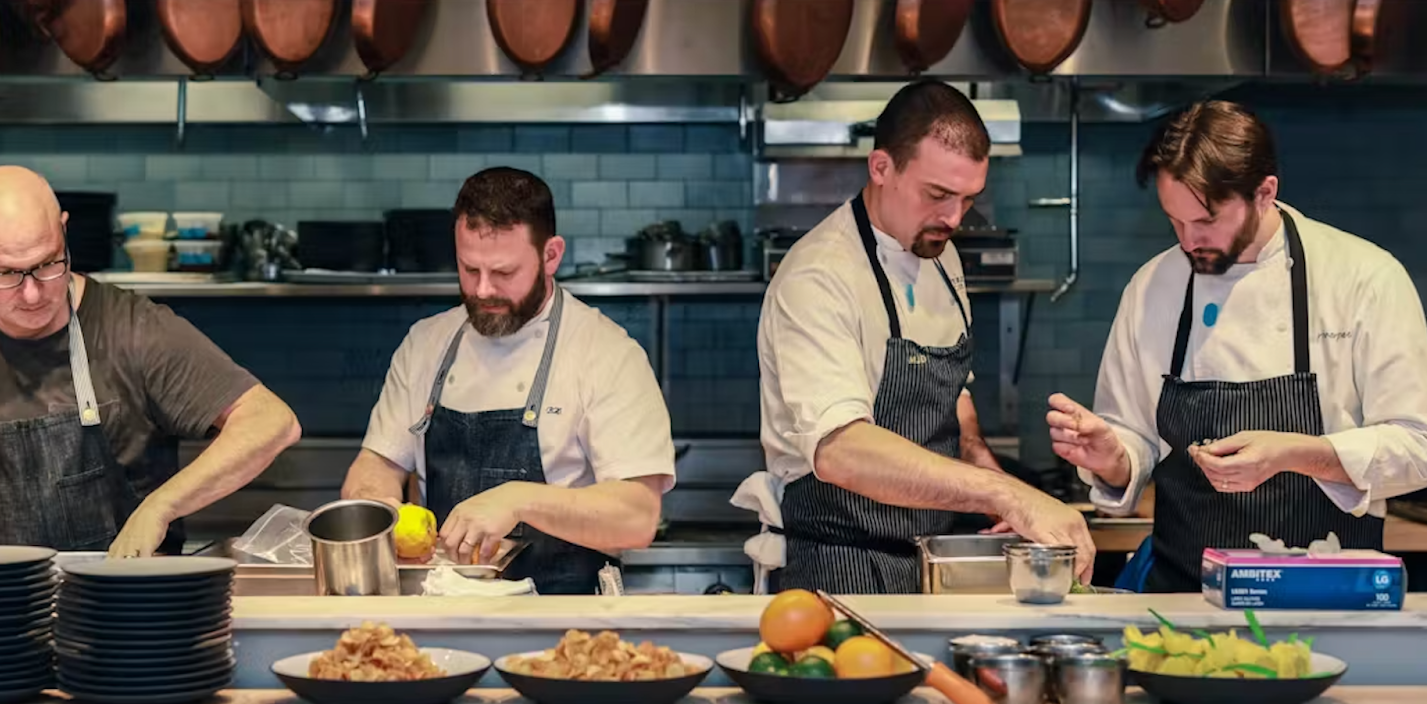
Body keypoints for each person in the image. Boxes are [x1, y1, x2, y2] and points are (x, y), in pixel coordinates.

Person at [0, 166, 301, 580]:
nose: (33, 294)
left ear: (64, 231)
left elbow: (271, 421)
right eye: (5, 274)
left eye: (47, 264)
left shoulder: (137, 330)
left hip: (126, 612)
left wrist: (161, 505)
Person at [1047, 101, 1427, 592]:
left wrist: (1295, 454)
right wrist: (1112, 458)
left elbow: (1417, 446)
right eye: (1174, 221)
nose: (1189, 241)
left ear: (1265, 193)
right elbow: (1134, 437)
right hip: (1183, 596)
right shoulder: (1153, 287)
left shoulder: (1363, 278)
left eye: (1206, 221)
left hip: (1328, 595)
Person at [745, 80, 1093, 594]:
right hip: (837, 566)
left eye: (968, 198)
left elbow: (953, 402)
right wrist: (1007, 495)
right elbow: (842, 450)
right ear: (881, 167)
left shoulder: (941, 257)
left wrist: (994, 479)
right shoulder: (819, 276)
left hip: (930, 560)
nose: (954, 218)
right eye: (938, 195)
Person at [341, 167, 675, 594]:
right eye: (469, 269)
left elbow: (637, 517)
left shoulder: (607, 353)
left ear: (551, 255)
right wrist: (378, 505)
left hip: (566, 617)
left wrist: (518, 499)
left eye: (503, 273)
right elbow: (377, 464)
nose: (482, 290)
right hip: (443, 610)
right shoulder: (426, 344)